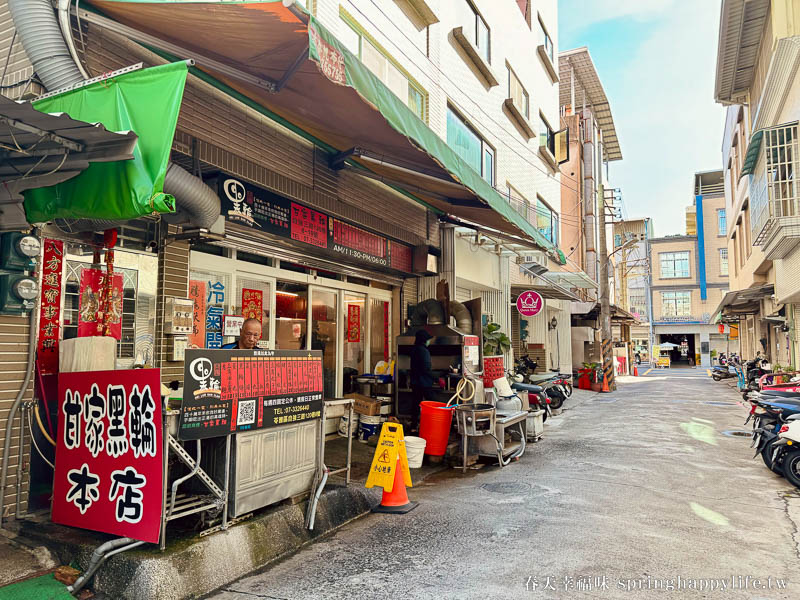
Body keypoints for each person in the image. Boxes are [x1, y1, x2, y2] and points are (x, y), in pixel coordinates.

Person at [408, 329, 436, 433]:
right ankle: (433, 426)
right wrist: (438, 379)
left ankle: (414, 427)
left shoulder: (414, 349)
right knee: (433, 404)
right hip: (424, 383)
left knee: (415, 405)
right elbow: (426, 369)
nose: (429, 341)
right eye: (428, 339)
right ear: (424, 340)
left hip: (415, 382)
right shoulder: (424, 351)